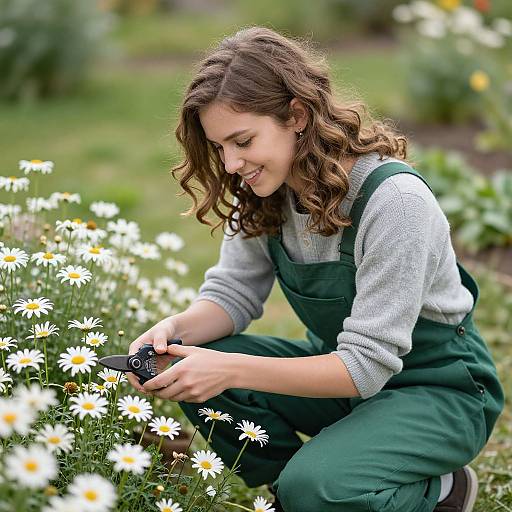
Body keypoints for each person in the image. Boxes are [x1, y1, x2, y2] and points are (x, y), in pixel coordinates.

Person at [127, 26, 504, 512]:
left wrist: (226, 369)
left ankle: (441, 491)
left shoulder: (395, 202)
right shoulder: (266, 192)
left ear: (297, 115)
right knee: (190, 359)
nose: (231, 162)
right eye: (219, 146)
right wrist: (174, 331)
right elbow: (232, 296)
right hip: (341, 381)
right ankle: (300, 492)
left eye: (242, 141)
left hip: (439, 392)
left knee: (313, 483)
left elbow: (366, 365)